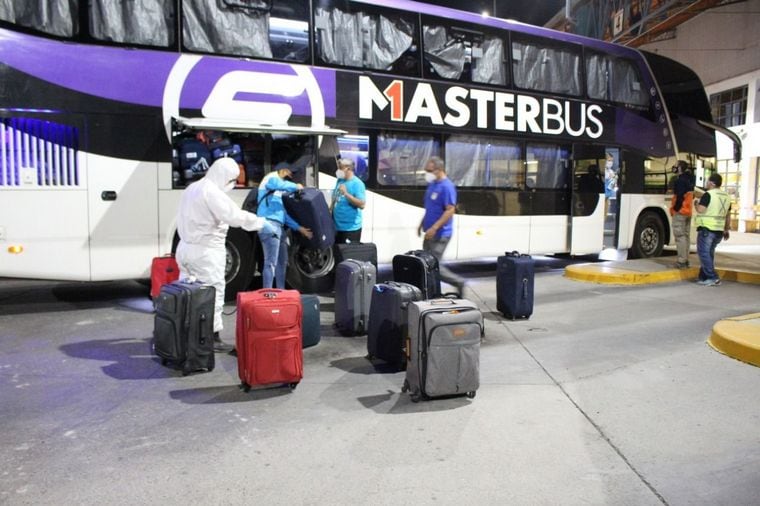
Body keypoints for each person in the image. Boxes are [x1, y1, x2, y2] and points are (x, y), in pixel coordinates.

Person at [175, 157, 268, 352]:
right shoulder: (212, 192)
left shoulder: (192, 188)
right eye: (231, 180)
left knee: (187, 293)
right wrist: (260, 223)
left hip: (184, 249)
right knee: (213, 294)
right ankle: (212, 337)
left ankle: (186, 332)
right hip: (206, 252)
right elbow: (234, 217)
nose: (232, 184)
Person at [257, 162, 313, 289]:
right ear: (282, 170)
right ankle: (268, 293)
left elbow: (283, 214)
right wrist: (295, 186)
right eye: (289, 172)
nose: (290, 175)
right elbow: (276, 184)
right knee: (270, 262)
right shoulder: (271, 179)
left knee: (282, 262)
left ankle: (280, 291)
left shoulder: (277, 192)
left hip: (278, 228)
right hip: (268, 225)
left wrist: (299, 228)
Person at [417, 156, 467, 296]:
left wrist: (434, 228)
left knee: (434, 266)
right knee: (426, 264)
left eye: (429, 170)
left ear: (439, 170)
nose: (427, 172)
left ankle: (458, 282)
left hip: (440, 234)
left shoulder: (447, 187)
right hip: (429, 233)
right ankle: (433, 293)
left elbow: (450, 210)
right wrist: (422, 224)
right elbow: (431, 208)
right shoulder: (432, 185)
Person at [694, 173, 731, 286]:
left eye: (707, 180)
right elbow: (728, 215)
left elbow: (700, 210)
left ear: (712, 183)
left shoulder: (708, 195)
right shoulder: (726, 196)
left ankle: (713, 277)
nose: (706, 182)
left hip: (707, 228)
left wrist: (696, 204)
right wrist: (726, 229)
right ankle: (703, 277)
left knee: (703, 253)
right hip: (719, 230)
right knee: (709, 253)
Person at [331, 157, 366, 244]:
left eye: (340, 168)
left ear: (348, 169)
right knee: (337, 254)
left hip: (350, 229)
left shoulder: (357, 184)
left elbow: (362, 205)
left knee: (347, 255)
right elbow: (335, 196)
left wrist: (346, 194)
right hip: (336, 227)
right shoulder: (340, 180)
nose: (338, 170)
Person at [669, 160, 695, 269]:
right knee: (685, 236)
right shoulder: (689, 179)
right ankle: (686, 259)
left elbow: (679, 197)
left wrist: (675, 209)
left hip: (680, 212)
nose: (673, 168)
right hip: (687, 212)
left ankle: (681, 261)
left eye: (675, 166)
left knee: (680, 237)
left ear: (679, 168)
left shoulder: (680, 181)